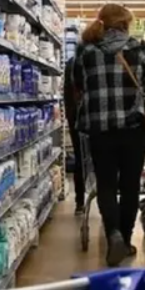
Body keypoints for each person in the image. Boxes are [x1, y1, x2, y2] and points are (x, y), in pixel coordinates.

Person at [74, 4, 145, 266]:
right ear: (125, 24)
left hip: (99, 131)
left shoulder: (85, 50)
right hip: (132, 130)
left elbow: (78, 83)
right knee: (130, 186)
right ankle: (125, 240)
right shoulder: (137, 47)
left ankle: (112, 233)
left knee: (105, 185)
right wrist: (139, 82)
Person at [63, 54, 86, 215]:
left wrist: (70, 118)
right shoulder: (100, 56)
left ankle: (80, 202)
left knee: (80, 159)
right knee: (103, 161)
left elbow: (67, 93)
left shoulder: (72, 61)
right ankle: (106, 201)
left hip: (76, 118)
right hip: (96, 119)